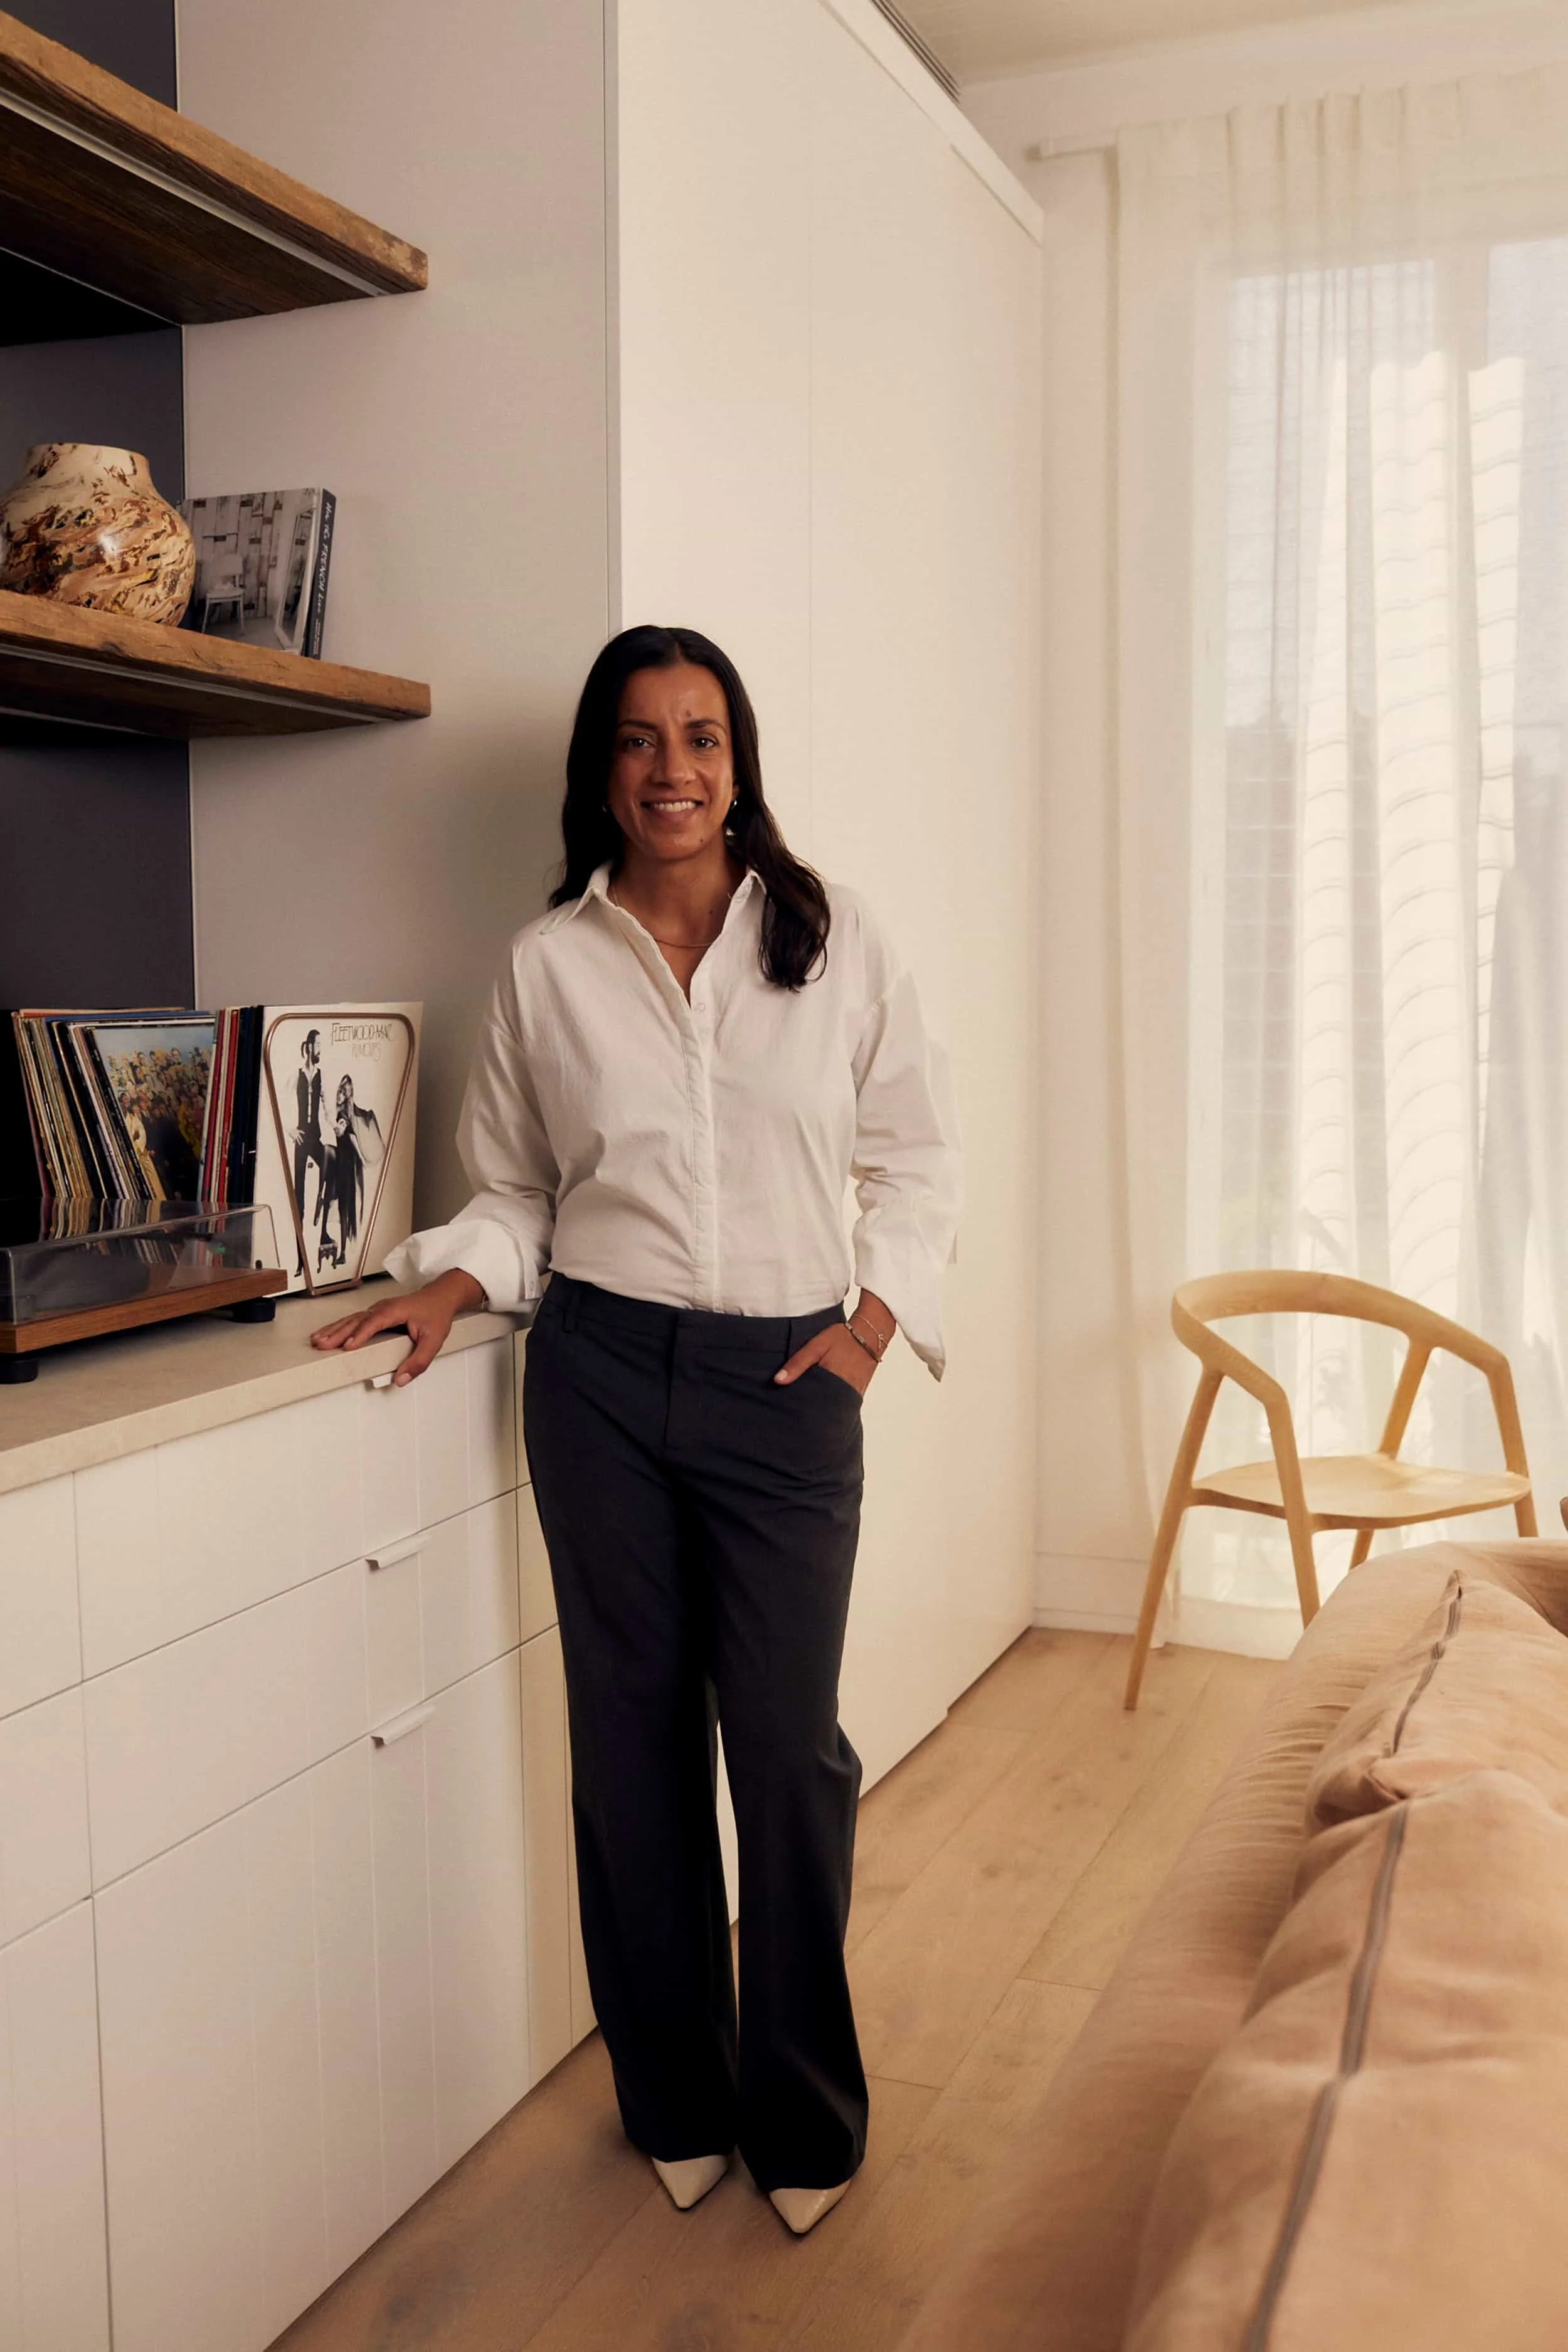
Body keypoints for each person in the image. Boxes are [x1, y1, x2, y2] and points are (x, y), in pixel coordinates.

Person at [312, 624, 961, 2238]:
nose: (670, 769)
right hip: (597, 1379)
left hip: (786, 1390)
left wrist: (869, 1331)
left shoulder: (834, 939)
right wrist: (451, 1284)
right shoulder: (546, 966)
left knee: (790, 1755)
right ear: (598, 771)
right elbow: (522, 1192)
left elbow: (919, 1160)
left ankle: (801, 2107)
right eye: (637, 741)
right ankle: (671, 2093)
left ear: (738, 764)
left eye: (701, 737)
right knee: (632, 1747)